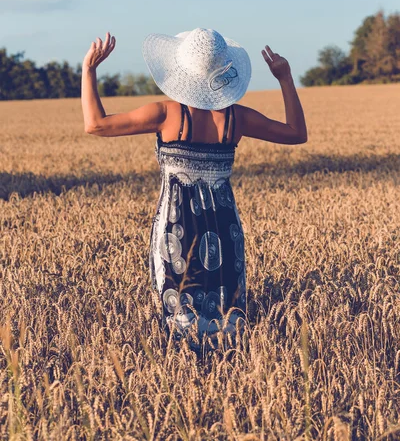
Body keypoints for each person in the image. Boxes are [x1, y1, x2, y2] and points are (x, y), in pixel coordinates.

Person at [81, 28, 307, 353]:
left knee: (180, 316)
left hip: (177, 227)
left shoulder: (166, 113)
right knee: (226, 315)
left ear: (181, 70)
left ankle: (188, 380)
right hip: (223, 226)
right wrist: (284, 77)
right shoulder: (236, 117)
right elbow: (296, 133)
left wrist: (89, 69)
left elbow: (95, 124)